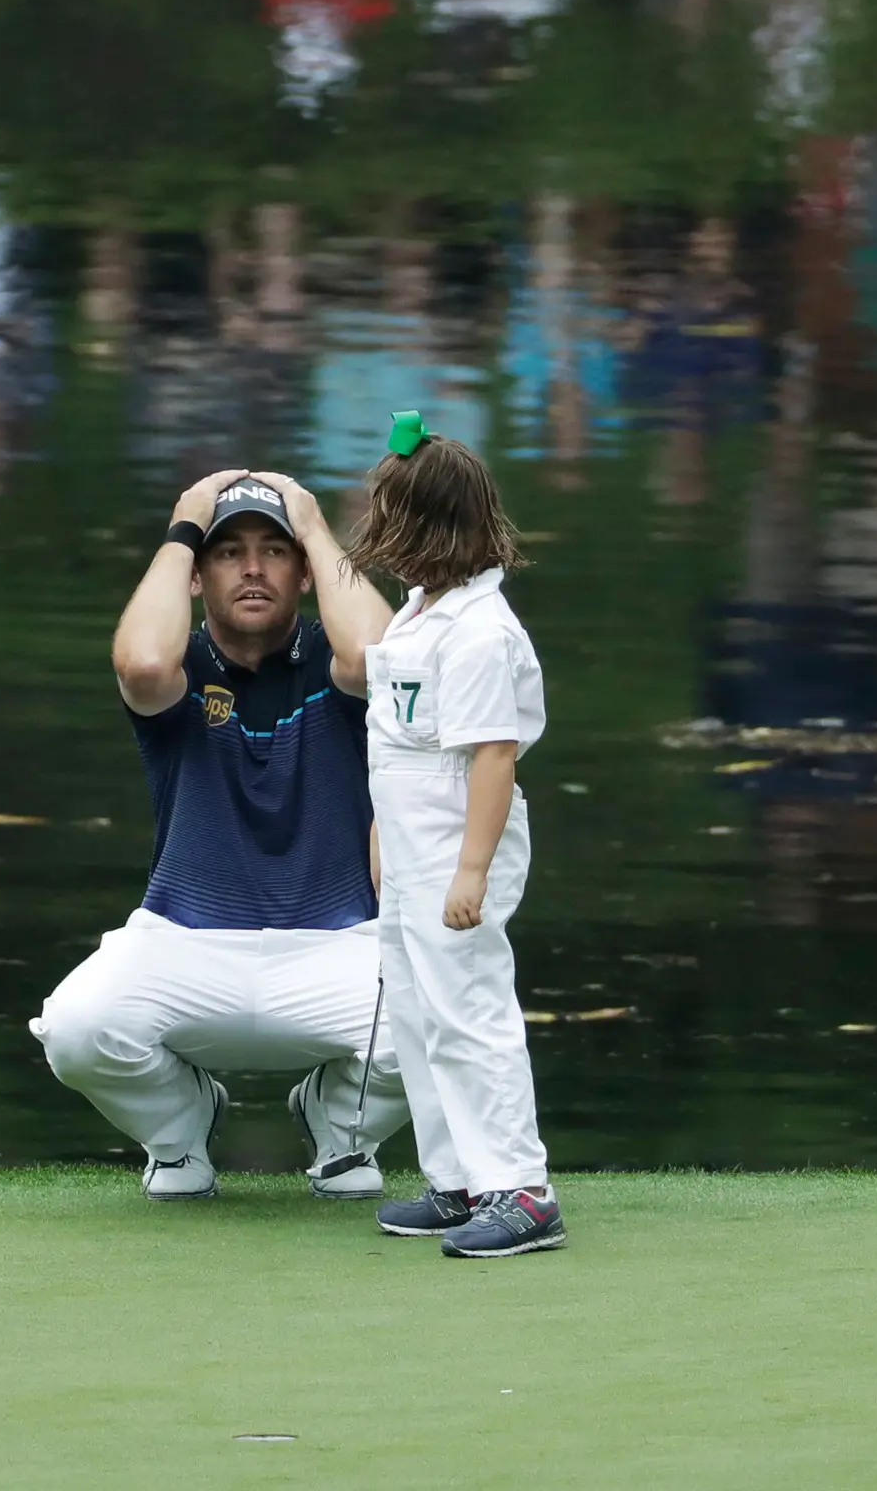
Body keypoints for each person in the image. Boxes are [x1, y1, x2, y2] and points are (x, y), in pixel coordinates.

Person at [31, 470, 409, 1200]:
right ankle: (181, 1133)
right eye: (229, 552)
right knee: (77, 1031)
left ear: (304, 572)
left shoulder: (338, 670)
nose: (255, 568)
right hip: (183, 939)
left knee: (437, 1025)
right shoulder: (181, 669)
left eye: (275, 551)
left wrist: (314, 521)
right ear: (198, 576)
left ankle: (339, 1130)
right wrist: (182, 526)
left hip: (338, 944)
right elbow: (141, 662)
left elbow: (376, 659)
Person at [348, 414, 562, 1257]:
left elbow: (491, 757)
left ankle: (520, 1185)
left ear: (428, 529)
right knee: (417, 1011)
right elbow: (399, 741)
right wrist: (380, 835)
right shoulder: (418, 614)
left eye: (389, 520)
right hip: (409, 843)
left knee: (467, 1010)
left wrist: (471, 870)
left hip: (455, 842)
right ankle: (459, 1179)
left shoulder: (479, 633)